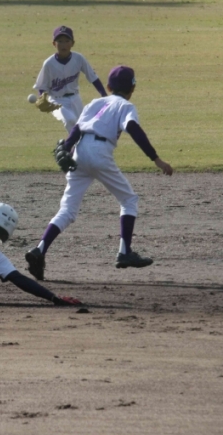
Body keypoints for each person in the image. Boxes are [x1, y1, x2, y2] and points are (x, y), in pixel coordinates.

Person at [25, 65, 174, 281]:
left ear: (108, 87)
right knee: (129, 200)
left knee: (67, 210)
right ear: (132, 88)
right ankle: (125, 252)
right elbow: (134, 129)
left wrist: (67, 148)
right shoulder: (126, 106)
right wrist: (156, 159)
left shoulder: (95, 102)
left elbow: (77, 129)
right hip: (99, 152)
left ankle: (40, 249)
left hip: (79, 152)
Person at [33, 25, 107, 133]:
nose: (63, 45)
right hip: (57, 101)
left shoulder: (79, 58)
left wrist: (104, 96)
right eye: (60, 41)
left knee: (83, 128)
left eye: (67, 41)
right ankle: (72, 143)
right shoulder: (49, 63)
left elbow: (93, 77)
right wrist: (41, 98)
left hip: (76, 99)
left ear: (73, 43)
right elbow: (42, 86)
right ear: (54, 43)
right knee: (70, 120)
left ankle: (73, 144)